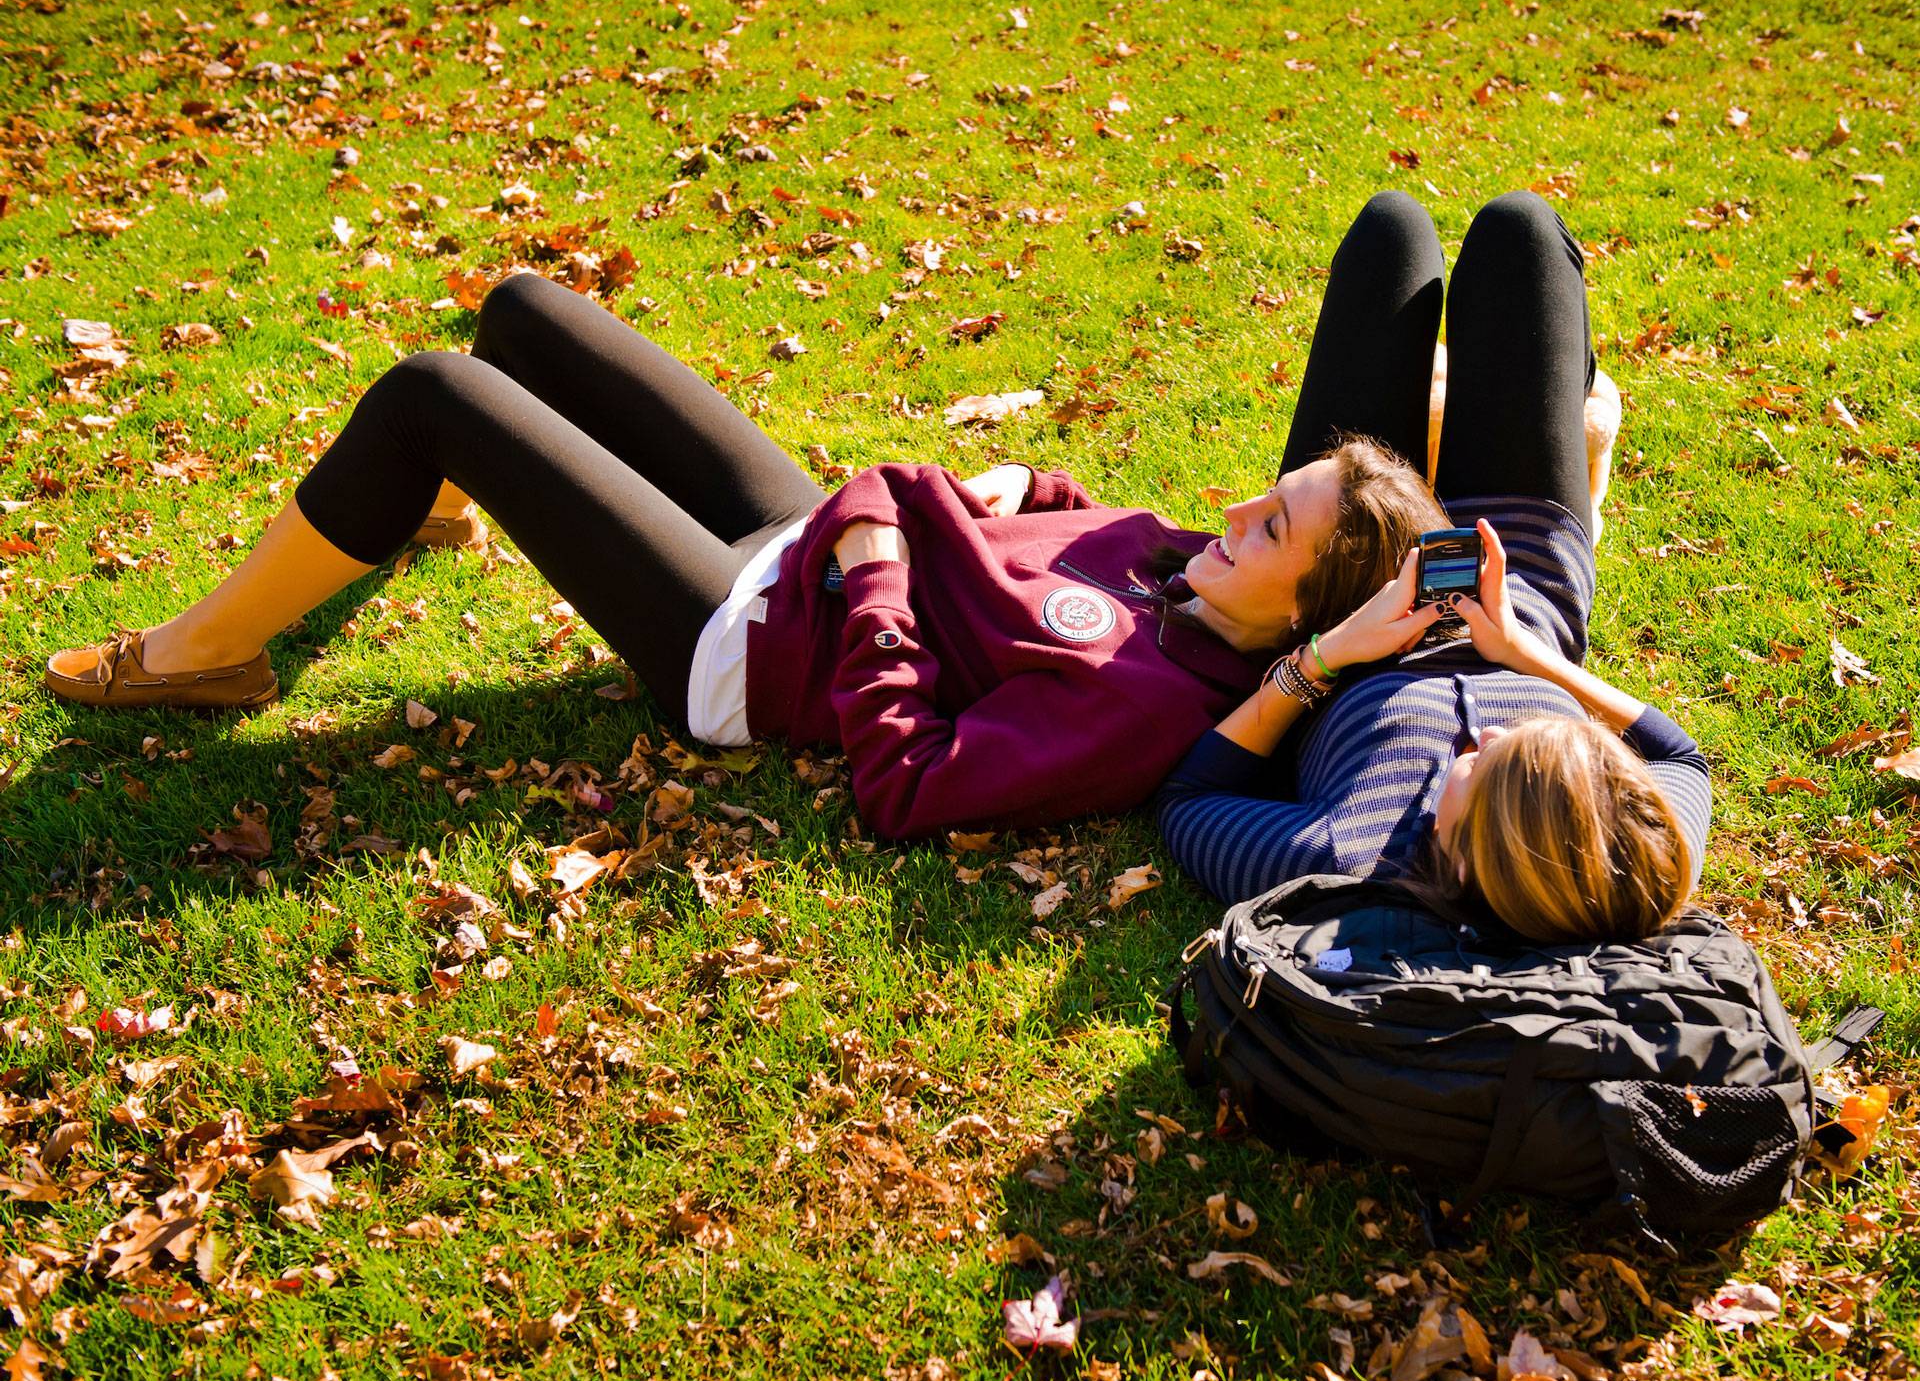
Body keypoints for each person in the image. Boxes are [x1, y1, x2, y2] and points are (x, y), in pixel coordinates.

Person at [43, 272, 1452, 839]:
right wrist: (1004, 485)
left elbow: (907, 788)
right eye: (1276, 493)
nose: (1241, 516)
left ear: (1297, 617)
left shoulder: (1146, 704)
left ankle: (214, 651)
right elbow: (1071, 522)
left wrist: (888, 567)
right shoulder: (1183, 558)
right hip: (804, 537)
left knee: (437, 390)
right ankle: (418, 502)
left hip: (744, 643)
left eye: (1277, 530)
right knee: (526, 313)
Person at [1158, 190, 1709, 946]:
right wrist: (1524, 654)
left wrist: (1329, 654)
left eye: (1481, 767)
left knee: (1391, 233)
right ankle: (1553, 422)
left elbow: (1189, 798)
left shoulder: (1338, 862)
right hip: (1519, 579)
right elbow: (1681, 756)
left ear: (1461, 852)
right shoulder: (1627, 854)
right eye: (1525, 740)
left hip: (1339, 590)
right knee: (1520, 233)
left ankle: (1464, 424)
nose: (1477, 740)